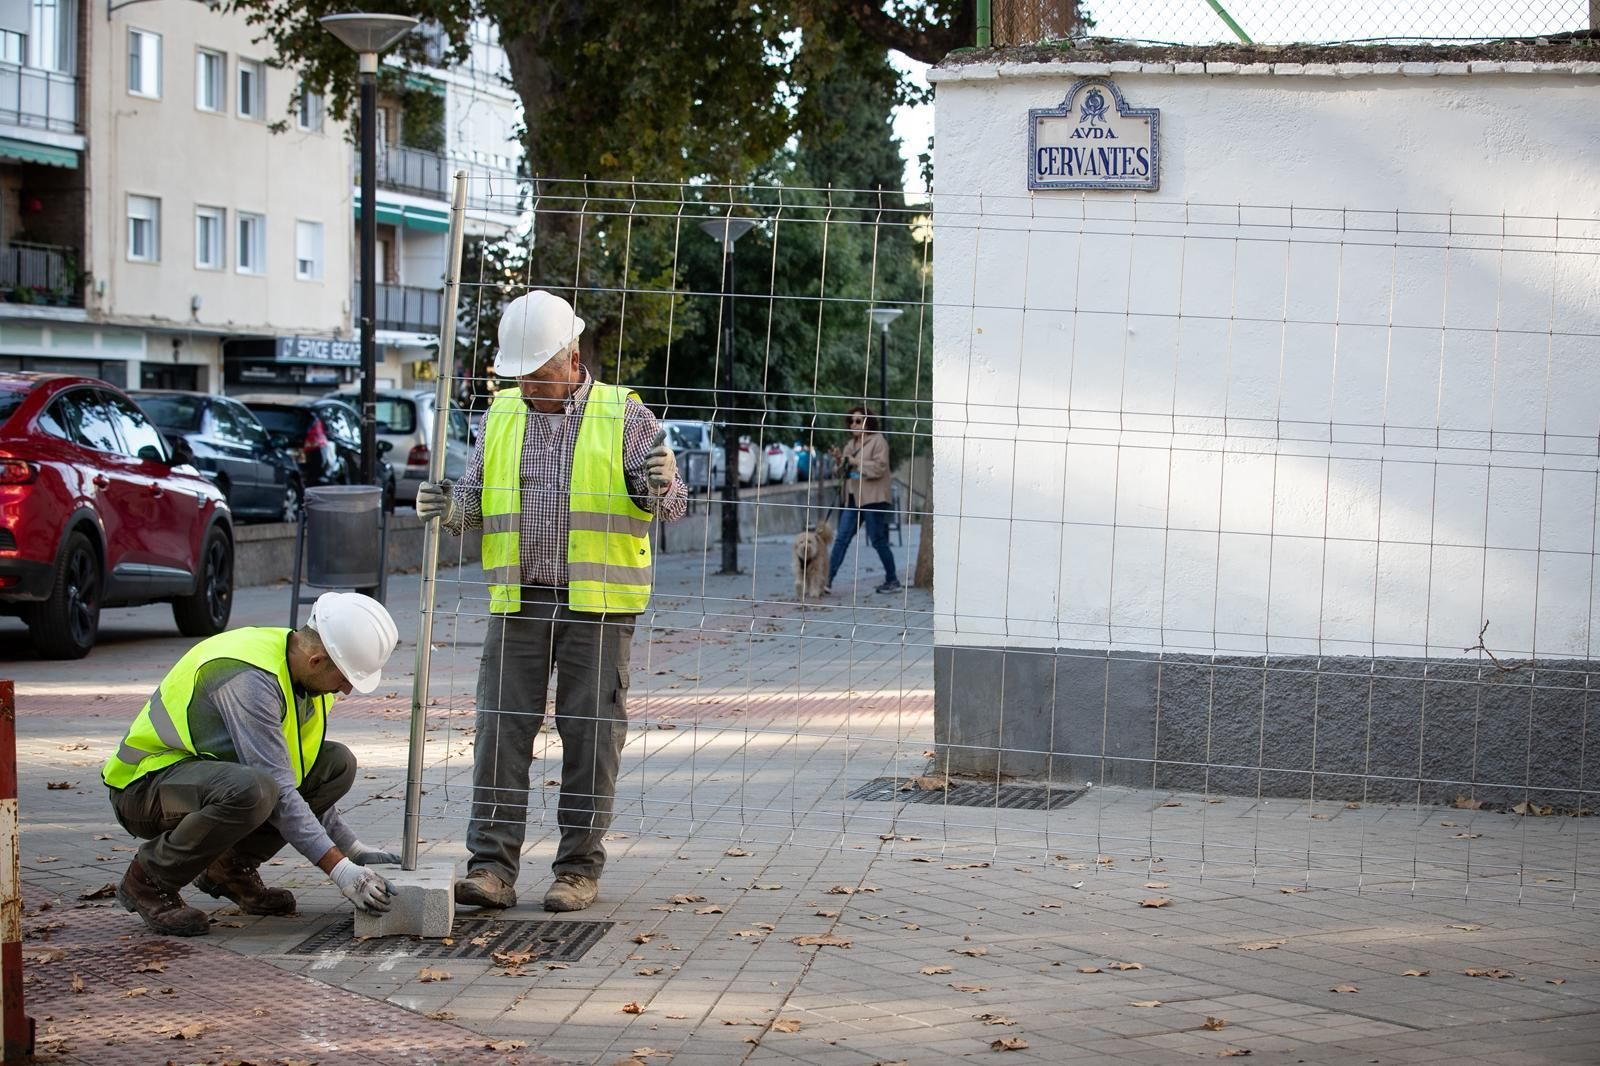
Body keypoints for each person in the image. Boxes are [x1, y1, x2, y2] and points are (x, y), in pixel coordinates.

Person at [416, 289, 687, 913]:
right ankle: (490, 868)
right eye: (521, 378)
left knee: (591, 738)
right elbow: (472, 498)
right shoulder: (503, 414)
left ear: (571, 359)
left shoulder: (624, 414)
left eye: (539, 376)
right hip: (518, 600)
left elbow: (669, 503)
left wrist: (657, 487)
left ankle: (577, 869)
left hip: (600, 604)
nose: (530, 388)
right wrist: (449, 511)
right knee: (499, 734)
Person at [102, 592, 402, 937]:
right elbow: (282, 791)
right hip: (145, 785)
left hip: (203, 779)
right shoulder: (249, 679)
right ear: (318, 660)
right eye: (346, 677)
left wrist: (352, 850)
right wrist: (341, 870)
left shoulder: (304, 680)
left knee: (335, 764)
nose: (347, 690)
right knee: (256, 791)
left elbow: (299, 776)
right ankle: (147, 880)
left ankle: (228, 870)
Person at [827, 406, 900, 594]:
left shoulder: (878, 441)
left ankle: (892, 580)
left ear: (868, 422)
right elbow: (842, 472)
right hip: (853, 498)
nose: (854, 424)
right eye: (851, 421)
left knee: (877, 539)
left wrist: (855, 462)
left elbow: (879, 468)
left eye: (858, 421)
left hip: (873, 498)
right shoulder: (850, 445)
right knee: (841, 538)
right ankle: (826, 580)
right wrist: (838, 461)